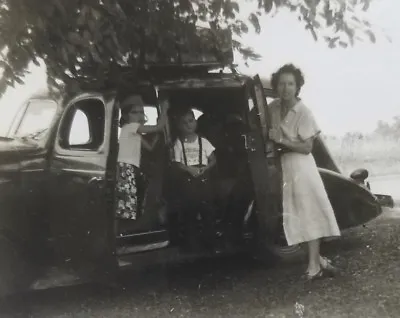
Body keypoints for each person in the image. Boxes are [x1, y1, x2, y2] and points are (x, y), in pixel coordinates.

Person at [268, 64, 341, 281]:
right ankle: (319, 261)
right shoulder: (273, 108)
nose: (286, 88)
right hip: (285, 166)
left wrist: (281, 140)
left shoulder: (303, 112)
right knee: (295, 215)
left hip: (302, 166)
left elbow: (307, 147)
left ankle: (314, 267)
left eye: (290, 83)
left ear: (297, 86)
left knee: (309, 214)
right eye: (281, 83)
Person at [171, 107, 217, 252]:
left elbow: (213, 159)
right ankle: (192, 246)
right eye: (184, 122)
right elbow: (177, 163)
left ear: (196, 122)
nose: (188, 125)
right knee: (190, 213)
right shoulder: (178, 143)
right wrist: (189, 169)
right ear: (178, 126)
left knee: (207, 212)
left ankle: (209, 244)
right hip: (188, 181)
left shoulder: (203, 141)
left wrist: (205, 168)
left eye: (191, 121)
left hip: (203, 179)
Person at [116, 95, 168, 220]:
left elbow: (149, 147)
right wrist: (164, 109)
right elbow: (159, 126)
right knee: (127, 200)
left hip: (130, 167)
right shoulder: (130, 127)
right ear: (125, 116)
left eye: (141, 112)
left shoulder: (134, 131)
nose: (139, 115)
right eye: (134, 112)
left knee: (129, 198)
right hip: (125, 167)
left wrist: (158, 135)